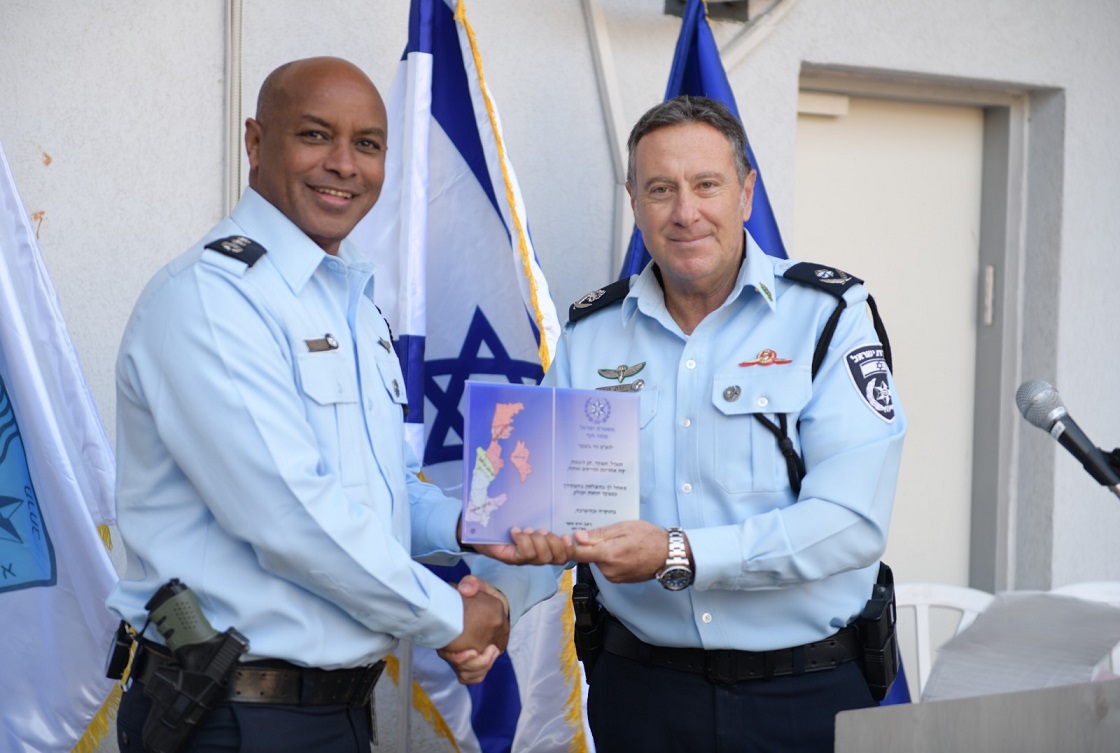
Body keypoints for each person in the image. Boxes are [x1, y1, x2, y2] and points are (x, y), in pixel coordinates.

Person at [105, 57, 557, 753]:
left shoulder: (349, 302)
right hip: (227, 717)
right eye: (315, 135)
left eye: (367, 144)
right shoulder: (214, 300)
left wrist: (473, 525)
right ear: (257, 143)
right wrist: (452, 616)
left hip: (329, 712)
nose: (344, 164)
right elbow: (291, 516)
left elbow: (384, 491)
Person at [542, 95, 908, 752]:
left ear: (746, 193)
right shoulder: (590, 335)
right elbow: (549, 507)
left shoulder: (827, 316)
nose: (685, 212)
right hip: (642, 695)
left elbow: (851, 522)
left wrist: (679, 553)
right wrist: (489, 600)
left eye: (706, 184)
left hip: (805, 694)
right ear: (634, 202)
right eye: (661, 189)